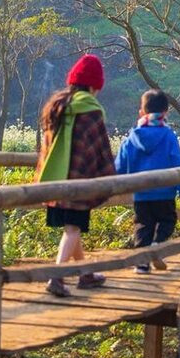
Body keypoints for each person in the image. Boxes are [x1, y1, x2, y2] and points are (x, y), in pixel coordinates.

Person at [35, 53, 116, 299]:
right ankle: (56, 276)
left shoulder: (57, 106)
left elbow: (48, 146)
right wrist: (107, 174)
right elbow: (99, 147)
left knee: (73, 227)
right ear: (94, 85)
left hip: (55, 179)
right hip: (78, 181)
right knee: (73, 229)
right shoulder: (90, 110)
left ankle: (85, 274)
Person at [114, 90, 180, 273]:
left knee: (143, 226)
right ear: (166, 112)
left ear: (141, 112)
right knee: (168, 221)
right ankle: (158, 244)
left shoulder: (132, 137)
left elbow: (120, 164)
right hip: (165, 192)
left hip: (141, 193)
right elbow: (177, 162)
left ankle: (141, 264)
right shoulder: (168, 136)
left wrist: (118, 184)